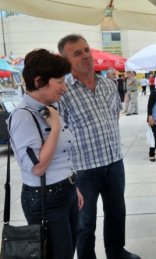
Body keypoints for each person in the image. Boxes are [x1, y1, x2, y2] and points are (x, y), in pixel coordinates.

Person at [57, 34, 140, 259]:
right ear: (66, 61)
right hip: (83, 169)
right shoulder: (63, 93)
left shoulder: (108, 85)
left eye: (86, 50)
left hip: (114, 161)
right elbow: (58, 136)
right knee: (85, 222)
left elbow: (114, 116)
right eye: (77, 53)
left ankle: (116, 251)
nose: (85, 56)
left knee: (116, 213)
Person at [7, 49, 84, 259]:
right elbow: (38, 166)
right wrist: (56, 127)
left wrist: (72, 186)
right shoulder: (23, 117)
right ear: (40, 81)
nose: (65, 88)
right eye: (59, 81)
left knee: (67, 251)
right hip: (45, 198)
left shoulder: (49, 110)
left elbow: (61, 156)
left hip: (64, 190)